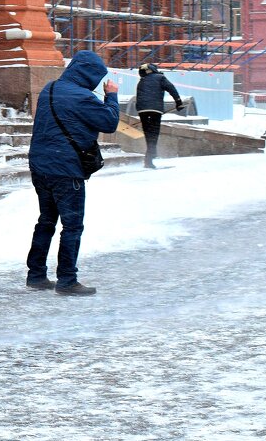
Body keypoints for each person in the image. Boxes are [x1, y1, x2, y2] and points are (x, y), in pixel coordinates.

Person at [25, 50, 120, 296]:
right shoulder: (82, 97)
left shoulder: (50, 88)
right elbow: (109, 123)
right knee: (72, 225)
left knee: (46, 221)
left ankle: (36, 274)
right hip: (66, 169)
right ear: (89, 74)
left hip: (40, 165)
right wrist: (112, 97)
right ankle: (67, 279)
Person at [136, 62, 183, 169]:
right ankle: (150, 157)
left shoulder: (141, 81)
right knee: (154, 133)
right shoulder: (160, 77)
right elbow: (171, 88)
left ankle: (150, 155)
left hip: (142, 110)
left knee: (148, 134)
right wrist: (178, 102)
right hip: (155, 110)